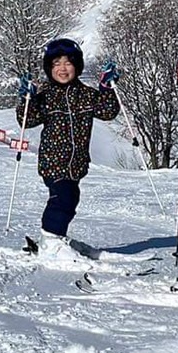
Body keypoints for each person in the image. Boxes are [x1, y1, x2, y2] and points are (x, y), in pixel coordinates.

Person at [17, 37, 120, 263]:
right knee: (61, 197)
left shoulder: (86, 95)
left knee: (71, 197)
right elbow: (27, 120)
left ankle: (57, 237)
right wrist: (27, 99)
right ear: (49, 69)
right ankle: (51, 241)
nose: (62, 69)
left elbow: (107, 111)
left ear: (77, 66)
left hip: (77, 163)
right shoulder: (46, 97)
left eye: (67, 63)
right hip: (53, 162)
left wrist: (106, 87)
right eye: (56, 64)